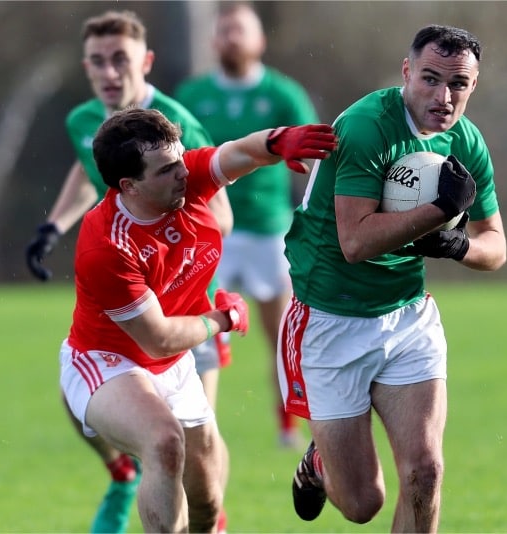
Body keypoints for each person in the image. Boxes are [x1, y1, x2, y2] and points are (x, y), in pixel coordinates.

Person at [60, 106, 337, 532]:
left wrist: (279, 142)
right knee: (164, 443)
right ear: (129, 186)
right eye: (167, 169)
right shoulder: (107, 247)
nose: (183, 172)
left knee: (207, 502)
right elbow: (158, 339)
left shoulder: (183, 179)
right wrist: (222, 319)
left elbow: (240, 153)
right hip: (108, 362)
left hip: (174, 364)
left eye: (179, 159)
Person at [280, 25, 507, 532]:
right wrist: (438, 212)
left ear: (474, 85)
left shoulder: (465, 140)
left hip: (407, 316)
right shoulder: (367, 126)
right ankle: (319, 462)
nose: (443, 97)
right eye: (430, 78)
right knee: (363, 504)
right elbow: (355, 242)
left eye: (458, 84)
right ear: (406, 72)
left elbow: (496, 247)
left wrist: (459, 245)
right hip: (330, 317)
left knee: (425, 472)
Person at [23, 10, 234, 533]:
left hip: (189, 306)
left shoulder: (176, 124)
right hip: (133, 301)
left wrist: (168, 240)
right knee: (100, 409)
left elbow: (220, 215)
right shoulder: (84, 120)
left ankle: (207, 519)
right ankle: (124, 476)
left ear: (146, 61)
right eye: (97, 61)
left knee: (197, 463)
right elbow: (86, 172)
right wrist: (53, 226)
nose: (109, 72)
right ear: (86, 67)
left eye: (120, 59)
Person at [174, 1, 320, 448]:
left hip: (268, 229)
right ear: (213, 40)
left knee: (281, 334)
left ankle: (288, 427)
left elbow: (315, 155)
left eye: (240, 30)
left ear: (260, 40)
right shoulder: (192, 95)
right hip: (207, 230)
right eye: (224, 30)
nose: (231, 38)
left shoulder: (283, 93)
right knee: (197, 329)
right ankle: (197, 425)